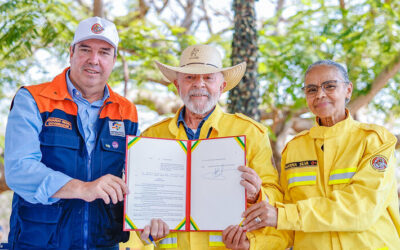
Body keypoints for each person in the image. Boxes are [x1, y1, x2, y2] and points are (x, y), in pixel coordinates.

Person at [125, 44, 289, 250]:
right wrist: (147, 232)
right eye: (190, 78)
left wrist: (257, 194)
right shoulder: (151, 137)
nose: (199, 84)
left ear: (221, 87)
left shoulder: (251, 133)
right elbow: (140, 216)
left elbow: (276, 199)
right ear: (177, 85)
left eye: (208, 77)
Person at [4, 17, 138, 249]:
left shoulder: (126, 111)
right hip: (39, 243)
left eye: (104, 52)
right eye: (85, 49)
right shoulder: (33, 100)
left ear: (114, 60)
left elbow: (137, 178)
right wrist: (83, 188)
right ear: (71, 52)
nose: (93, 60)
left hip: (103, 243)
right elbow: (19, 170)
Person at [241, 60, 400, 249]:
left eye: (330, 86)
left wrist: (283, 215)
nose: (320, 94)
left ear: (348, 90)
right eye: (311, 89)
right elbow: (286, 227)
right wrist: (253, 245)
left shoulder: (374, 141)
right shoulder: (294, 149)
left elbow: (360, 209)